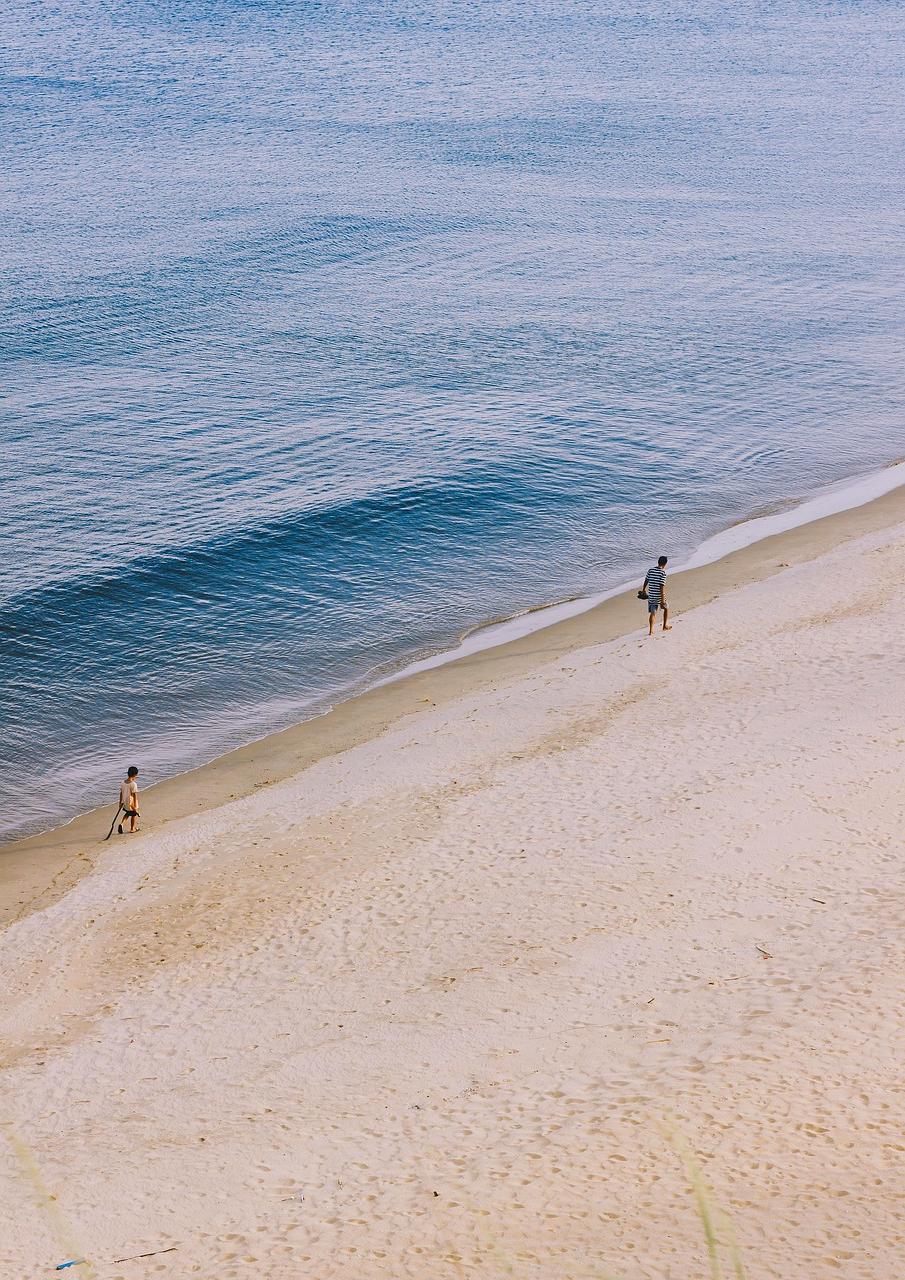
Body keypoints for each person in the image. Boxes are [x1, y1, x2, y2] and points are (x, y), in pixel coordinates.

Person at [642, 555, 672, 636]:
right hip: (659, 596)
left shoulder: (650, 570)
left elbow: (646, 580)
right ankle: (664, 626)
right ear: (665, 564)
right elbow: (661, 587)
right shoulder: (663, 572)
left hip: (651, 595)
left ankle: (651, 631)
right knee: (666, 608)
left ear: (658, 562)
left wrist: (643, 589)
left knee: (653, 613)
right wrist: (662, 600)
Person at [118, 765, 141, 834]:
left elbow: (121, 793)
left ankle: (122, 824)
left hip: (125, 802)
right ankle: (132, 828)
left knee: (127, 813)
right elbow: (135, 795)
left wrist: (120, 803)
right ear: (135, 775)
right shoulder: (133, 784)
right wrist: (135, 806)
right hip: (132, 803)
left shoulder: (122, 783)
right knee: (134, 815)